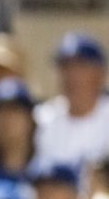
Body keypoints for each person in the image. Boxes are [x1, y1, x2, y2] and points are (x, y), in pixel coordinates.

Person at [33, 33, 109, 176]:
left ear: (101, 73)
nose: (72, 75)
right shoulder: (43, 118)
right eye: (65, 66)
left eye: (81, 66)